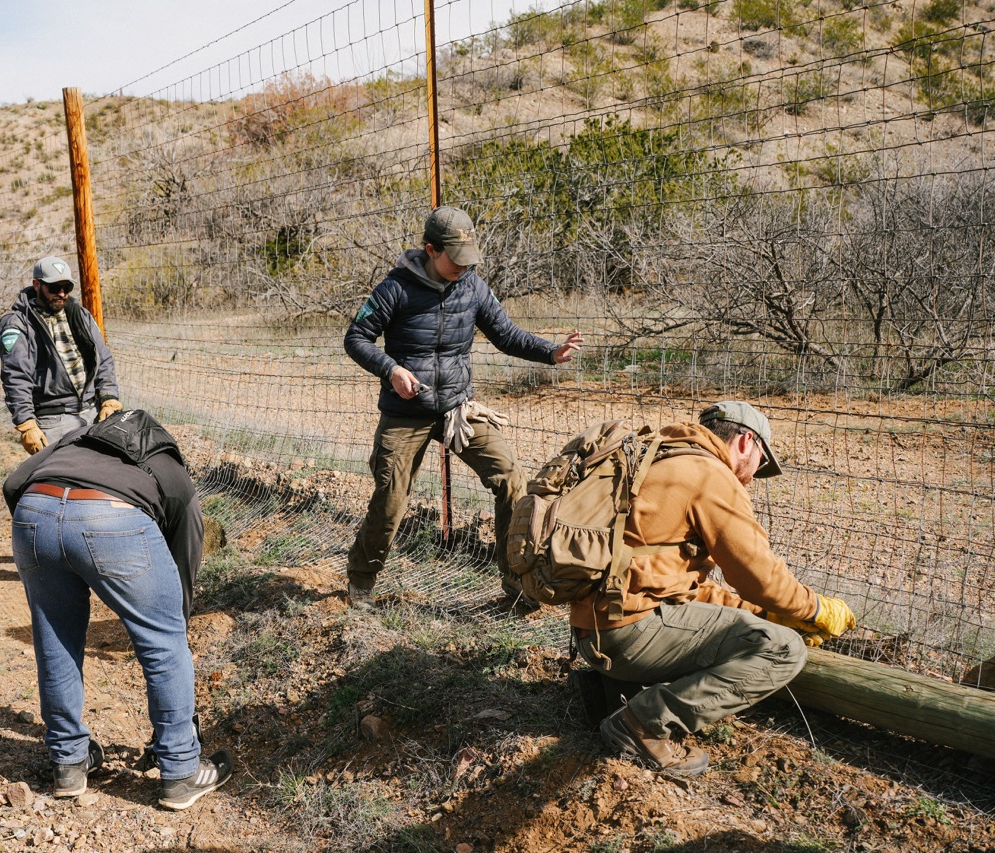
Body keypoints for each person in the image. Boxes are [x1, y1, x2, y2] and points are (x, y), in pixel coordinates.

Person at [575, 401, 857, 777]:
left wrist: (764, 613)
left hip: (591, 631)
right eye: (760, 461)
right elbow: (758, 576)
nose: (753, 477)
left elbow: (675, 585)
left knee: (757, 627)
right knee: (783, 650)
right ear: (745, 442)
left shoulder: (660, 458)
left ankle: (614, 693)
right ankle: (642, 723)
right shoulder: (710, 475)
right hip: (626, 638)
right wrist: (816, 609)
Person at [343, 206, 584, 608]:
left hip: (457, 409)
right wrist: (391, 370)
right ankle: (361, 582)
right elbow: (357, 338)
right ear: (431, 250)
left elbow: (505, 334)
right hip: (406, 412)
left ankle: (515, 581)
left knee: (510, 479)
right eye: (455, 260)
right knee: (390, 498)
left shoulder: (472, 287)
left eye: (468, 259)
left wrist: (550, 351)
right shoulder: (394, 289)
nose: (462, 268)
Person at [2, 408, 234, 809]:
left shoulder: (75, 438)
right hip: (112, 518)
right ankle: (180, 769)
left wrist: (48, 547)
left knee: (55, 637)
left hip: (34, 513)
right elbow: (185, 550)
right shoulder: (166, 463)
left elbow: (13, 483)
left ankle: (69, 763)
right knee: (164, 643)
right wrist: (174, 612)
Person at [0, 255, 121, 454]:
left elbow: (103, 358)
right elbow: (16, 376)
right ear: (37, 285)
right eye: (54, 288)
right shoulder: (18, 324)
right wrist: (27, 423)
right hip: (53, 421)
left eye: (66, 288)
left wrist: (109, 397)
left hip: (94, 412)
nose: (61, 294)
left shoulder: (80, 315)